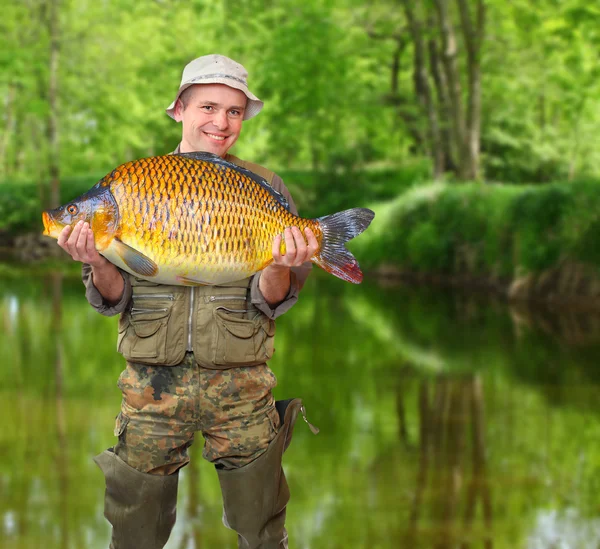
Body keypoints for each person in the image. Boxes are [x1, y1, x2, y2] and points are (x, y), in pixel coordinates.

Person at [56, 54, 319, 549]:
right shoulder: (135, 182)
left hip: (242, 387)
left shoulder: (266, 187)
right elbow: (114, 300)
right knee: (134, 536)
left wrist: (281, 263)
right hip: (149, 389)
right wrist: (97, 262)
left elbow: (274, 299)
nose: (221, 122)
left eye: (235, 111)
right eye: (208, 107)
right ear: (179, 109)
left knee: (263, 533)